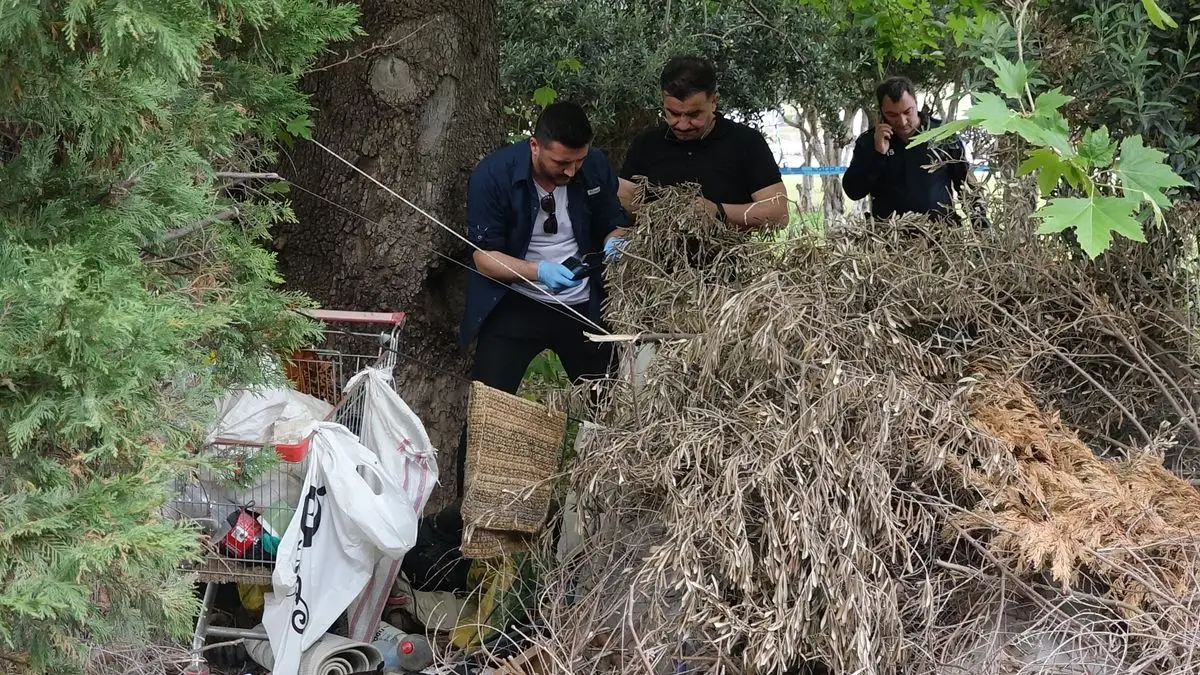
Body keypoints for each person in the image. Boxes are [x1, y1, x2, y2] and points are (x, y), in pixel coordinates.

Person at [457, 101, 628, 489]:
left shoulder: (594, 166)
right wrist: (539, 271)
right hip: (515, 303)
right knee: (487, 413)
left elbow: (614, 223)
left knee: (610, 407)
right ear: (535, 145)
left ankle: (606, 498)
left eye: (578, 161)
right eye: (561, 163)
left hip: (582, 304)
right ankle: (468, 511)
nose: (571, 171)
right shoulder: (493, 174)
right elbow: (484, 257)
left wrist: (615, 242)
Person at [618, 55, 788, 231]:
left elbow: (779, 213)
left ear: (713, 102)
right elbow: (622, 199)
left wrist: (718, 211)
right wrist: (658, 214)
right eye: (673, 114)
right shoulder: (646, 143)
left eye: (694, 115)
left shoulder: (746, 142)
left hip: (727, 248)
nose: (683, 125)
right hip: (654, 247)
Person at [843, 76, 988, 228]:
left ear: (916, 103)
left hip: (940, 234)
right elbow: (854, 192)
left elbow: (967, 186)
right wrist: (878, 155)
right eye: (892, 115)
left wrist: (982, 228)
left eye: (907, 112)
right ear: (881, 112)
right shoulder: (869, 142)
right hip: (889, 236)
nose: (902, 121)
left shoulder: (943, 135)